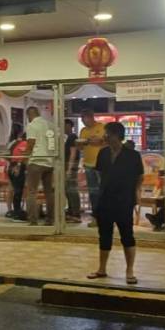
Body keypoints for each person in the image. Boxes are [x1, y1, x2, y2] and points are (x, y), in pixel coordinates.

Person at [87, 122, 144, 284]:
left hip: (124, 200)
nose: (104, 137)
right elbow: (99, 175)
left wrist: (136, 192)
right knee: (104, 235)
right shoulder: (103, 153)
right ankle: (102, 269)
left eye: (107, 134)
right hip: (105, 199)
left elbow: (140, 176)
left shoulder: (133, 155)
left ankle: (130, 270)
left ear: (116, 135)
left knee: (127, 235)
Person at [23, 106, 55, 226]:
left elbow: (31, 143)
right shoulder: (50, 125)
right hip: (49, 161)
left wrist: (25, 156)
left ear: (29, 115)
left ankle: (33, 220)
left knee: (31, 192)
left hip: (36, 161)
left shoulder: (32, 126)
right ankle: (50, 219)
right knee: (49, 192)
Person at [76, 109, 105, 227]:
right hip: (88, 164)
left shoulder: (102, 127)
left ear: (91, 117)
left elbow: (104, 141)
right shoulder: (83, 131)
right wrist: (80, 144)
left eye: (85, 118)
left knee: (104, 191)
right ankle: (96, 217)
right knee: (93, 192)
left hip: (102, 164)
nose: (83, 121)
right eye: (82, 119)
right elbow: (80, 148)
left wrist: (98, 141)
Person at [5, 124, 28, 221]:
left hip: (10, 167)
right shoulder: (24, 144)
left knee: (14, 190)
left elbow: (7, 155)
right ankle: (17, 212)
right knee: (18, 191)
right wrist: (18, 166)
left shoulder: (14, 143)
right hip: (17, 167)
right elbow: (21, 156)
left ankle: (13, 210)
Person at [64, 119, 82, 223]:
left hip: (71, 166)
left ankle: (75, 213)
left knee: (72, 190)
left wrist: (69, 169)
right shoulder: (68, 138)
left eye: (66, 126)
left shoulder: (73, 137)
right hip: (69, 166)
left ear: (70, 126)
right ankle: (71, 211)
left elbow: (73, 153)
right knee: (68, 190)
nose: (64, 128)